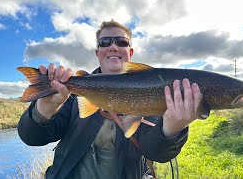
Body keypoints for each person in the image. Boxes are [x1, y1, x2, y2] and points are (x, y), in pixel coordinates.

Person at [18, 19, 203, 179]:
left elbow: (156, 152)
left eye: (121, 42)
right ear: (98, 52)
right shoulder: (71, 95)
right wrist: (43, 111)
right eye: (105, 42)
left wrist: (172, 129)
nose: (113, 46)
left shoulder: (154, 91)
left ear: (130, 53)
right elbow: (32, 138)